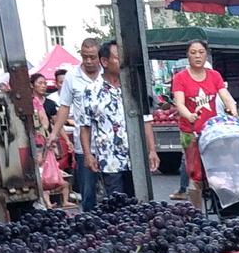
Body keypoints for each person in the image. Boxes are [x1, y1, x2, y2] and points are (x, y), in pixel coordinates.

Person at [80, 40, 160, 200]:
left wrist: (152, 150)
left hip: (136, 158)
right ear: (105, 61)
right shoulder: (91, 91)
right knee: (117, 204)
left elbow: (146, 121)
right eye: (118, 58)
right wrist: (88, 154)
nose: (123, 62)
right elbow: (85, 126)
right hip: (109, 161)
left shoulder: (135, 87)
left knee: (140, 201)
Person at [172, 40, 238, 207]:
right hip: (190, 132)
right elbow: (179, 103)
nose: (197, 56)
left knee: (219, 168)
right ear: (188, 55)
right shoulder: (180, 78)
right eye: (193, 52)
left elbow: (226, 96)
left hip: (212, 131)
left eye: (201, 52)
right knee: (196, 174)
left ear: (206, 54)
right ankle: (196, 212)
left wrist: (233, 111)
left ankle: (221, 205)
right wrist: (190, 115)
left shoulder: (214, 75)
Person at [48, 38, 102, 211]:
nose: (88, 61)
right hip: (84, 145)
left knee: (113, 191)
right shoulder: (72, 76)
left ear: (100, 56)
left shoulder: (108, 73)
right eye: (85, 57)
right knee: (88, 191)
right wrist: (54, 133)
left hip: (110, 144)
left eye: (92, 57)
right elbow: (64, 107)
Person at [31, 72, 71, 209]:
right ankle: (45, 202)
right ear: (32, 85)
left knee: (52, 171)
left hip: (47, 142)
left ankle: (61, 200)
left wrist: (67, 141)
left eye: (44, 83)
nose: (43, 86)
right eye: (40, 83)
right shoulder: (29, 103)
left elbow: (58, 124)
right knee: (41, 172)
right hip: (36, 143)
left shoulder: (50, 104)